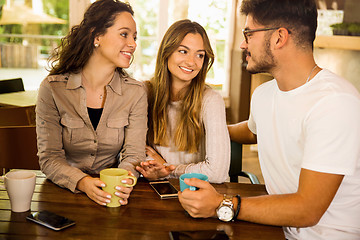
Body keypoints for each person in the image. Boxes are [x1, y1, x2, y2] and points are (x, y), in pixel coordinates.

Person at [178, 0, 360, 239]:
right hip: (276, 228)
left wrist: (221, 204)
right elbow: (254, 131)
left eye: (248, 33)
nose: (243, 44)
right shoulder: (264, 95)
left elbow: (307, 210)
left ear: (279, 37)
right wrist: (206, 130)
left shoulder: (335, 102)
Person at [36, 0, 147, 206]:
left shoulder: (136, 92)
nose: (133, 44)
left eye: (134, 37)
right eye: (124, 34)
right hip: (64, 193)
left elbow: (134, 154)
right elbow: (49, 158)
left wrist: (122, 181)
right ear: (96, 36)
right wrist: (83, 183)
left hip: (114, 194)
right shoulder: (53, 89)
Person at [135, 19, 230, 183]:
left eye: (199, 55)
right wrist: (154, 168)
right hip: (159, 188)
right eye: (183, 51)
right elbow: (135, 151)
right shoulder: (144, 92)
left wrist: (168, 168)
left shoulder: (211, 100)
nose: (191, 62)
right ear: (167, 52)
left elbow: (217, 173)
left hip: (203, 192)